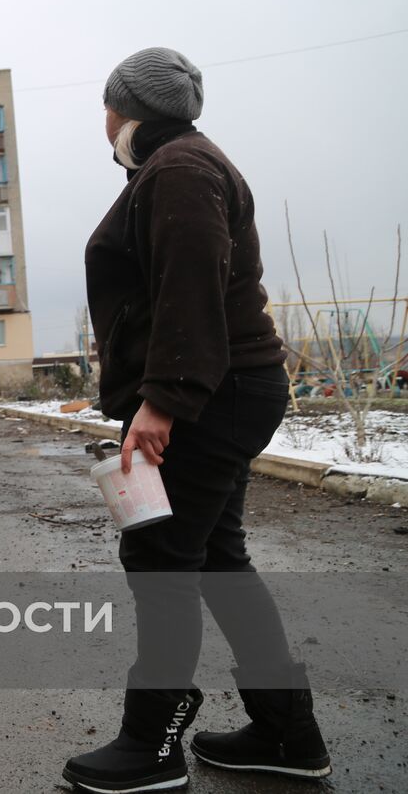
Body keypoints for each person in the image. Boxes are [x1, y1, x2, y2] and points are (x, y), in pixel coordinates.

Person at [64, 47, 330, 793]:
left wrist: (163, 400)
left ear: (130, 110)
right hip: (228, 390)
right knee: (215, 558)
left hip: (210, 395)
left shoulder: (178, 169)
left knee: (161, 561)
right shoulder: (181, 163)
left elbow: (190, 289)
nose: (104, 120)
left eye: (108, 106)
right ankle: (286, 731)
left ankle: (150, 745)